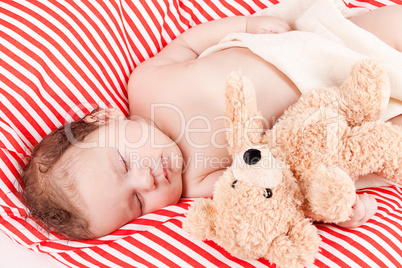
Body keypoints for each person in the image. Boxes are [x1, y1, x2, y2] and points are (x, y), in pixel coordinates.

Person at [21, 5, 402, 240]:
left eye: (124, 163)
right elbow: (278, 182)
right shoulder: (198, 182)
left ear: (104, 119)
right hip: (345, 116)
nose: (146, 180)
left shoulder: (146, 84)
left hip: (327, 43)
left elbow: (188, 45)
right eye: (137, 202)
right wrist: (332, 203)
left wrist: (250, 27)